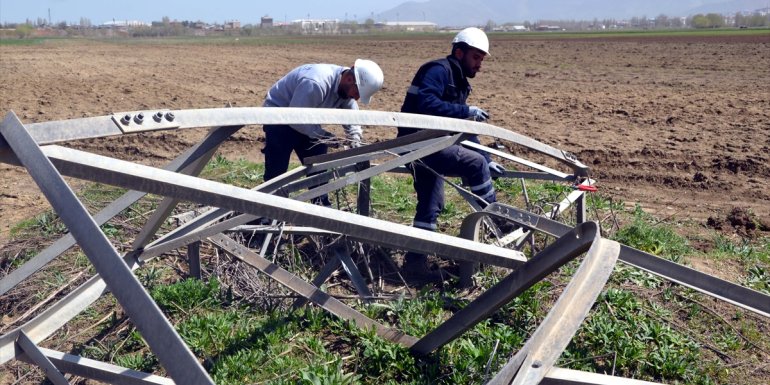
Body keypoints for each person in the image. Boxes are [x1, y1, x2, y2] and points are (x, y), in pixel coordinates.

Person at [397, 27, 506, 281]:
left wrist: (489, 159)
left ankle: (415, 263)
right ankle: (498, 220)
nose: (479, 64)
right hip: (418, 142)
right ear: (459, 52)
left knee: (430, 205)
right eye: (476, 57)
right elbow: (426, 105)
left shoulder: (458, 82)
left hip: (432, 144)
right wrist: (465, 112)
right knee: (474, 163)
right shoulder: (438, 71)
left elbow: (463, 132)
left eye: (481, 59)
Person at [261, 59, 384, 205]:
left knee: (319, 167)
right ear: (349, 79)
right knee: (277, 173)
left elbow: (352, 115)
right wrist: (326, 137)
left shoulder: (345, 89)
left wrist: (355, 138)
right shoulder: (316, 83)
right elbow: (296, 120)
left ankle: (321, 207)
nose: (356, 98)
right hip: (279, 118)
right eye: (357, 92)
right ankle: (266, 214)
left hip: (304, 118)